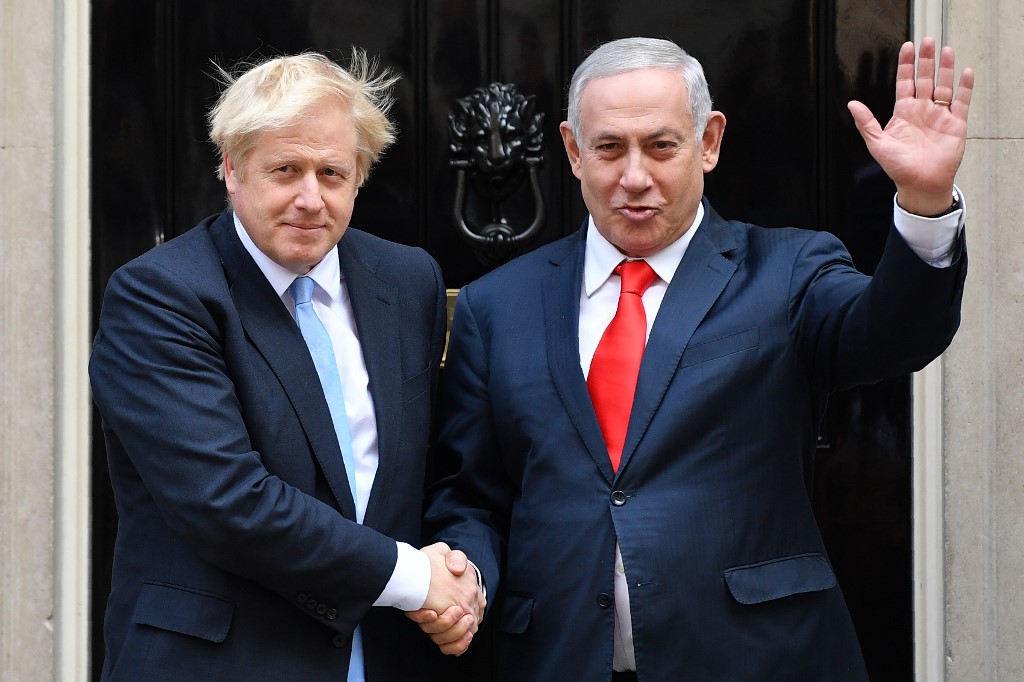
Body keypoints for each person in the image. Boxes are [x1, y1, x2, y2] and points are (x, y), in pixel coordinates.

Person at [416, 36, 972, 679]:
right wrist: (466, 574)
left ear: (708, 142)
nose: (634, 177)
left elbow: (894, 334)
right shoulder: (496, 305)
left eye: (661, 146)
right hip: (557, 658)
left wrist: (925, 204)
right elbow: (470, 492)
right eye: (608, 148)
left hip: (757, 659)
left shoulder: (789, 270)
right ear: (571, 150)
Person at [90, 49, 483, 681]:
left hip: (385, 656)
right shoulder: (159, 296)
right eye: (285, 170)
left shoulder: (408, 281)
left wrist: (463, 575)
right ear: (232, 169)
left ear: (360, 176)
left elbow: (440, 468)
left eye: (331, 172)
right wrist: (414, 578)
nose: (310, 198)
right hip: (221, 661)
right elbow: (227, 502)